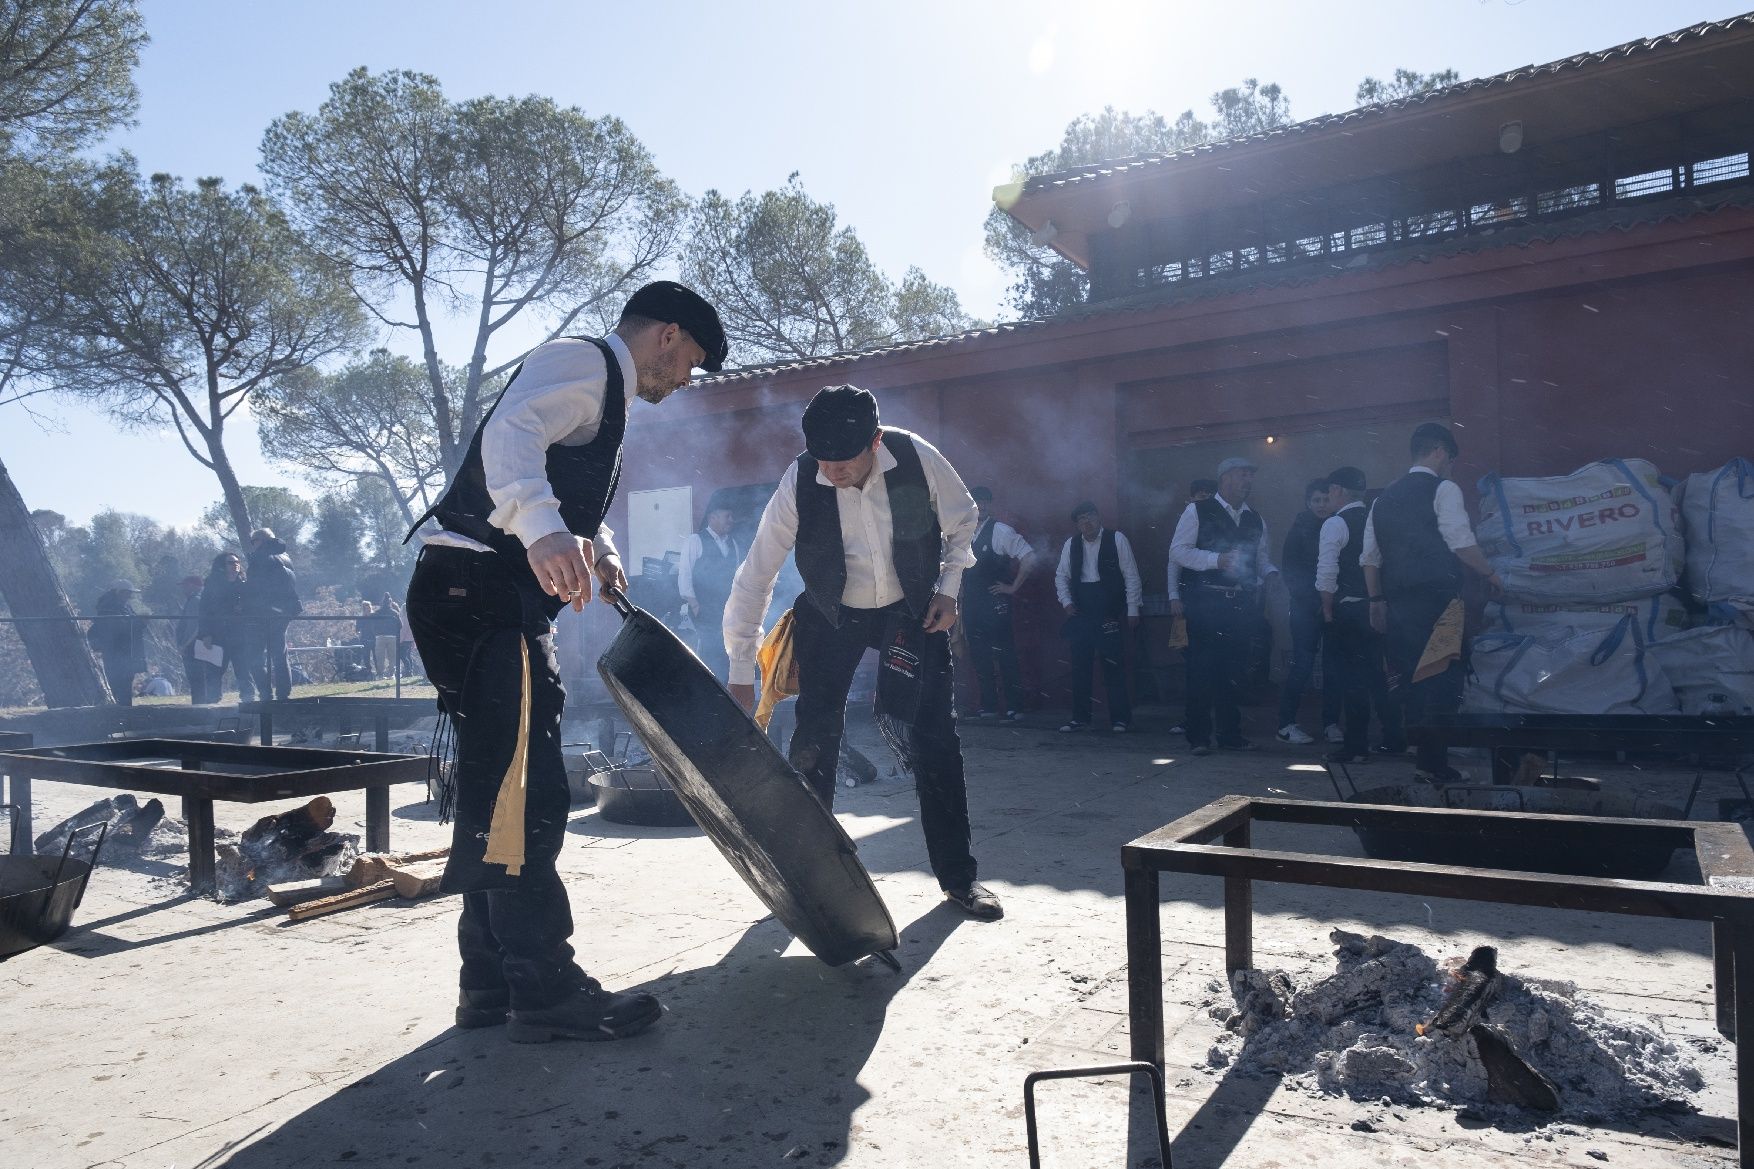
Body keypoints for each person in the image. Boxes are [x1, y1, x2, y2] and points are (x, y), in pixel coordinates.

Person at [404, 279, 727, 1043]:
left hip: (468, 594)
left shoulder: (601, 393)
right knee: (528, 797)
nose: (685, 381)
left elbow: (553, 480)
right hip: (484, 596)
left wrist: (596, 545)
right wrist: (543, 529)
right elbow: (510, 437)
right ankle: (543, 985)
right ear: (668, 337)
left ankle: (487, 982)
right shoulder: (585, 362)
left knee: (498, 791)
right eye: (691, 364)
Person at [724, 384, 1002, 922]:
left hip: (912, 609)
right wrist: (741, 667)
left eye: (842, 462)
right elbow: (758, 571)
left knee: (935, 739)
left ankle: (960, 879)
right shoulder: (802, 477)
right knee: (814, 738)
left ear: (875, 442)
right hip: (832, 615)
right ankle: (809, 878)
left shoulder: (916, 457)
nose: (831, 473)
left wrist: (949, 588)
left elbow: (963, 518)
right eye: (822, 462)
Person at [1362, 424, 1504, 781]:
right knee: (1441, 680)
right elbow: (1460, 541)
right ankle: (1433, 764)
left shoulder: (1383, 499)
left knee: (1411, 679)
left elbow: (1370, 557)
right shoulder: (1444, 489)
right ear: (1439, 452)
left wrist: (1376, 600)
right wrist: (1491, 575)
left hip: (1398, 602)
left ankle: (1422, 757)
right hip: (1438, 602)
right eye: (1450, 460)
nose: (1450, 467)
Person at [1171, 456, 1280, 755]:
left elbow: (1259, 560)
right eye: (1242, 474)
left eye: (1250, 475)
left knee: (1233, 671)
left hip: (1239, 606)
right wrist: (1214, 560)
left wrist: (1270, 573)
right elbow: (1178, 551)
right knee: (1201, 671)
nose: (1248, 480)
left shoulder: (1255, 518)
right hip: (1205, 601)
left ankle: (1230, 734)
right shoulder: (1196, 510)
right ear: (1225, 478)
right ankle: (1198, 737)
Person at [1317, 466, 1405, 765]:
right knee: (1381, 676)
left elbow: (1327, 573)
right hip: (1379, 606)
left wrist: (1327, 609)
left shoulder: (1335, 524)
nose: (1327, 498)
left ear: (1338, 490)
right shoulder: (1375, 517)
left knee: (1352, 680)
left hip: (1350, 609)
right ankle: (1394, 738)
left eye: (1329, 492)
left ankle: (1356, 746)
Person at [1054, 501, 1142, 733]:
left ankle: (1120, 719)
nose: (1087, 522)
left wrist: (1132, 609)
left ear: (1098, 517)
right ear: (1077, 524)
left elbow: (1131, 575)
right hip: (1082, 609)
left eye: (1090, 516)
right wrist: (1067, 602)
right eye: (1081, 519)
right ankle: (1080, 718)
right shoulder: (1071, 544)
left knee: (1113, 664)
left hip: (1109, 608)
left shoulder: (1117, 539)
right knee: (1080, 665)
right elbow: (1061, 576)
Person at [1275, 478, 1341, 745]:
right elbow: (1290, 572)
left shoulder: (1338, 525)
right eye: (1316, 500)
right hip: (1305, 609)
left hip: (1333, 608)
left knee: (1333, 666)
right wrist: (1314, 601)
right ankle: (1285, 724)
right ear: (1307, 502)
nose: (1322, 505)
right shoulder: (1299, 529)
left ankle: (1331, 723)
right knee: (1302, 664)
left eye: (1326, 500)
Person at [964, 486, 1036, 719]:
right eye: (977, 502)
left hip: (996, 601)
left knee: (1005, 653)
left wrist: (1013, 587)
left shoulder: (1001, 531)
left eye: (985, 502)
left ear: (990, 505)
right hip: (972, 603)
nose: (981, 506)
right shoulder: (961, 531)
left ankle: (1015, 705)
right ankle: (989, 706)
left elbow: (1029, 557)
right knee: (979, 654)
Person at [678, 494, 743, 682]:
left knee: (727, 651)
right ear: (712, 517)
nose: (731, 521)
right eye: (727, 516)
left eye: (732, 517)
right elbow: (685, 576)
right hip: (703, 610)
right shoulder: (695, 541)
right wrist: (696, 606)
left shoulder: (734, 545)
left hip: (726, 610)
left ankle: (724, 693)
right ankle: (708, 693)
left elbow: (736, 579)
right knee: (709, 652)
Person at [243, 528, 303, 701]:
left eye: (253, 542)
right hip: (284, 612)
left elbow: (256, 588)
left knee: (253, 656)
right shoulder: (285, 557)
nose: (253, 545)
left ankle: (265, 691)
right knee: (279, 654)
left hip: (264, 613)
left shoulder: (261, 557)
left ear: (260, 541)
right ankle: (283, 693)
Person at [198, 552, 253, 701]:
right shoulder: (212, 586)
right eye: (230, 562)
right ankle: (213, 703)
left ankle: (249, 700)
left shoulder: (244, 585)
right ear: (223, 566)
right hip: (217, 635)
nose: (235, 564)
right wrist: (206, 634)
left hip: (239, 635)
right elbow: (203, 611)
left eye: (237, 561)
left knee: (243, 669)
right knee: (215, 671)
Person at [89, 579, 146, 707]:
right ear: (120, 592)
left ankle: (125, 708)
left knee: (126, 682)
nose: (129, 596)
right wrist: (138, 623)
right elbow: (117, 628)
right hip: (116, 652)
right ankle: (121, 711)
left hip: (125, 652)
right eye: (127, 593)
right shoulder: (109, 607)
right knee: (118, 682)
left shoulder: (123, 605)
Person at [175, 575, 213, 703]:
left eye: (184, 586)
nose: (183, 589)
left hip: (194, 647)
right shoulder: (197, 600)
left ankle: (200, 710)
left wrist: (184, 645)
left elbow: (195, 627)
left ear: (191, 586)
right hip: (197, 645)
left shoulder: (195, 601)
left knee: (197, 681)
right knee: (199, 682)